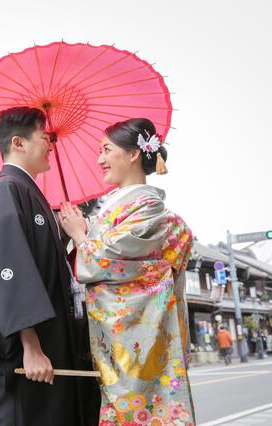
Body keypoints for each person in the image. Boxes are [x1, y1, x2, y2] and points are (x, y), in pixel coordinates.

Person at [0, 107, 93, 426]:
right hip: (26, 351)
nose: (50, 145)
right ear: (18, 143)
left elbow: (42, 264)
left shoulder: (29, 193)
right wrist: (30, 345)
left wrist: (67, 234)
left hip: (49, 344)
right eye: (44, 137)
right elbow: (10, 271)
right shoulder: (5, 189)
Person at [60, 118, 196, 425]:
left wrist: (82, 236)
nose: (99, 159)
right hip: (118, 340)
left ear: (134, 154)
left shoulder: (148, 208)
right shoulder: (117, 207)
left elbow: (105, 264)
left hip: (136, 340)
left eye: (106, 150)